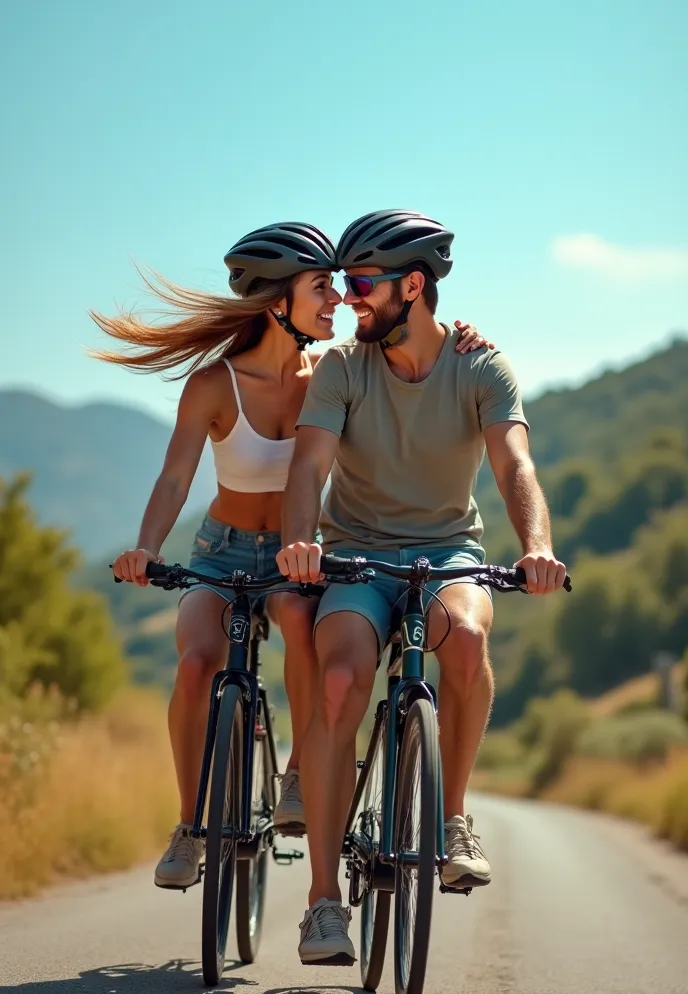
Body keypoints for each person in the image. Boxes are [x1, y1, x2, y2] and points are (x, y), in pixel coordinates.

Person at [91, 220, 491, 891]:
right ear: (277, 301)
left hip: (302, 553)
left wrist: (461, 338)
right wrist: (145, 548)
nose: (337, 298)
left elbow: (406, 363)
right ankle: (191, 828)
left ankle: (301, 777)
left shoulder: (330, 374)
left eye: (341, 285)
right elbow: (174, 477)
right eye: (321, 287)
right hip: (221, 551)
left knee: (305, 624)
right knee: (194, 665)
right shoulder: (214, 385)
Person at [276, 209, 568, 966]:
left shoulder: (482, 367)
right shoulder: (343, 368)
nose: (351, 298)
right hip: (356, 556)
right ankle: (322, 906)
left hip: (447, 552)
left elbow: (514, 466)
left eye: (364, 283)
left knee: (467, 641)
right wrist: (301, 541)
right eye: (344, 284)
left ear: (414, 285)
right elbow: (308, 467)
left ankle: (454, 820)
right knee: (341, 681)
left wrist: (537, 548)